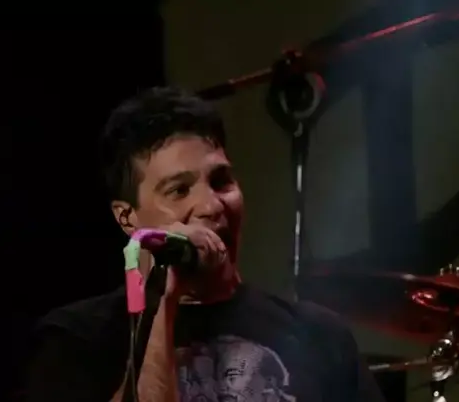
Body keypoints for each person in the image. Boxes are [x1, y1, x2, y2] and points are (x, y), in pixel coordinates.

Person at [26, 87, 385, 402]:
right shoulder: (78, 340)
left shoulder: (321, 336)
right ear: (127, 217)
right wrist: (163, 298)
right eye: (179, 190)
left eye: (221, 180)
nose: (212, 206)